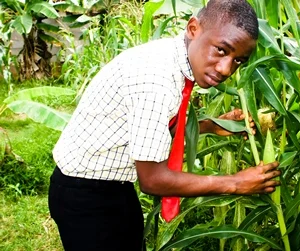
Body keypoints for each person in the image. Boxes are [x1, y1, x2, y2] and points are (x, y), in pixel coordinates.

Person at [48, 0, 280, 250]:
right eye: (222, 50)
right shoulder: (156, 79)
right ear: (193, 28)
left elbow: (151, 132)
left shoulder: (172, 59)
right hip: (85, 196)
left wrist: (210, 125)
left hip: (115, 188)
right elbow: (153, 180)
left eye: (238, 61)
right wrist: (235, 183)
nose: (226, 69)